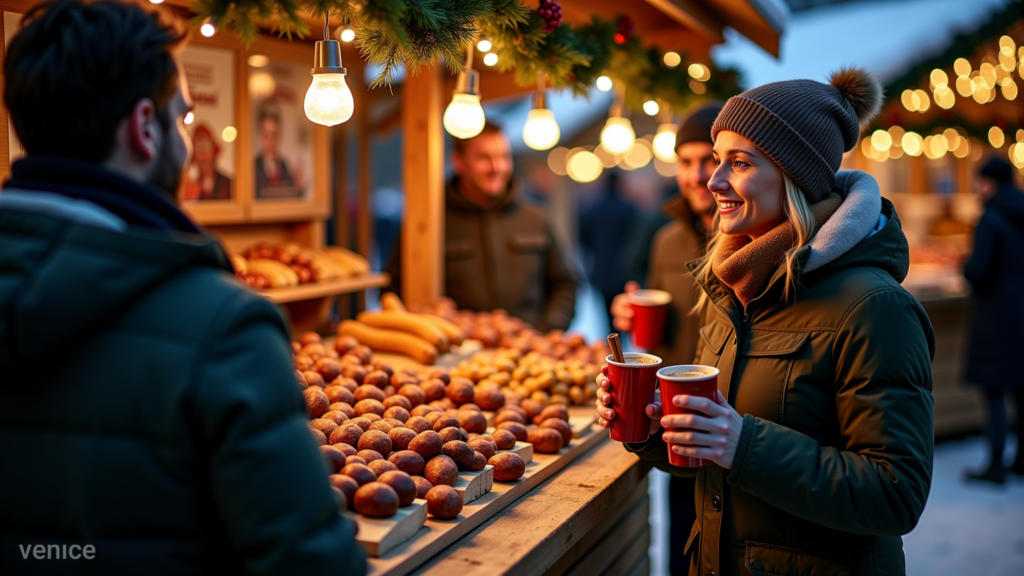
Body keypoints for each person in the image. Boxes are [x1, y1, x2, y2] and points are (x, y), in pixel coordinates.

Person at [0, 1, 364, 573]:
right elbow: (311, 563)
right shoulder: (224, 326)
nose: (185, 138)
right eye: (181, 119)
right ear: (145, 128)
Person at [597, 67, 935, 576]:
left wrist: (742, 443)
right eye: (717, 160)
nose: (713, 181)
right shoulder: (735, 285)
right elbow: (717, 454)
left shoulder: (875, 307)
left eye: (739, 163)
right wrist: (651, 427)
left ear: (793, 175)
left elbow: (895, 495)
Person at [389, 122, 578, 331]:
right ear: (458, 162)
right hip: (455, 357)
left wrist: (545, 331)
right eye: (484, 158)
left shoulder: (537, 218)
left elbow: (565, 284)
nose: (497, 167)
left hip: (530, 354)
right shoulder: (427, 224)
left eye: (504, 157)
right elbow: (394, 290)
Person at [962, 157, 1024, 485]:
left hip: (997, 320)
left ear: (990, 183)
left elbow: (978, 273)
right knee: (1021, 392)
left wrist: (965, 265)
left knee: (995, 394)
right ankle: (1021, 462)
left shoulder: (991, 219)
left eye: (980, 181)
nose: (977, 188)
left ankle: (996, 465)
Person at [580, 171, 638, 329]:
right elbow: (636, 240)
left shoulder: (593, 209)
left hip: (601, 271)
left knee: (607, 316)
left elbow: (583, 239)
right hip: (624, 272)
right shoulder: (629, 209)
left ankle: (612, 346)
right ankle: (621, 349)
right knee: (625, 316)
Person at [255, 109, 301, 198]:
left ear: (280, 137)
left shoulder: (285, 166)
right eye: (266, 135)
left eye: (274, 135)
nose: (271, 141)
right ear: (261, 136)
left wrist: (298, 188)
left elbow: (293, 199)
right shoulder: (253, 168)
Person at [183, 123, 232, 201]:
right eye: (199, 148)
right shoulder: (190, 189)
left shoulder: (230, 185)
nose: (203, 155)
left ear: (213, 151)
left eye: (206, 147)